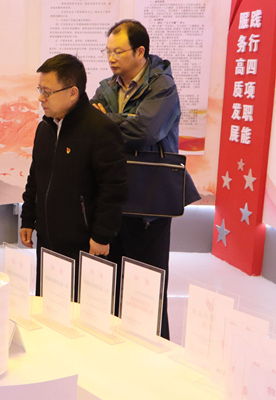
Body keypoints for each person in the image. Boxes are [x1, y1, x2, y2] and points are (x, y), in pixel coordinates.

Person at [92, 19, 200, 340]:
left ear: (140, 51)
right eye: (108, 51)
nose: (111, 58)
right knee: (111, 281)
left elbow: (145, 131)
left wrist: (107, 119)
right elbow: (93, 126)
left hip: (149, 199)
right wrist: (120, 121)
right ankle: (114, 345)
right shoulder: (107, 87)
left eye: (118, 51)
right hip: (114, 195)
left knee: (146, 284)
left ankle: (154, 351)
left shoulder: (162, 86)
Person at [20, 53, 128, 298]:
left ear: (72, 93)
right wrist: (28, 219)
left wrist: (101, 235)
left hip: (84, 244)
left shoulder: (100, 129)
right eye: (40, 90)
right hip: (47, 239)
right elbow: (36, 177)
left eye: (47, 92)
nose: (41, 98)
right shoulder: (45, 127)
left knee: (79, 309)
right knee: (48, 303)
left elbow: (113, 189)